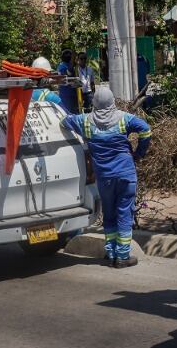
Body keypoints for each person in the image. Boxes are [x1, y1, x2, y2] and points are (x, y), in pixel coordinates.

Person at [64, 85, 151, 268]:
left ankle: (111, 253)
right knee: (124, 213)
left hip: (104, 178)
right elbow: (145, 130)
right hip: (126, 175)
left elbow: (65, 122)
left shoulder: (85, 122)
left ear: (94, 103)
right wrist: (138, 153)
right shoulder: (123, 119)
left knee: (109, 213)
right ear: (112, 102)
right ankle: (123, 256)